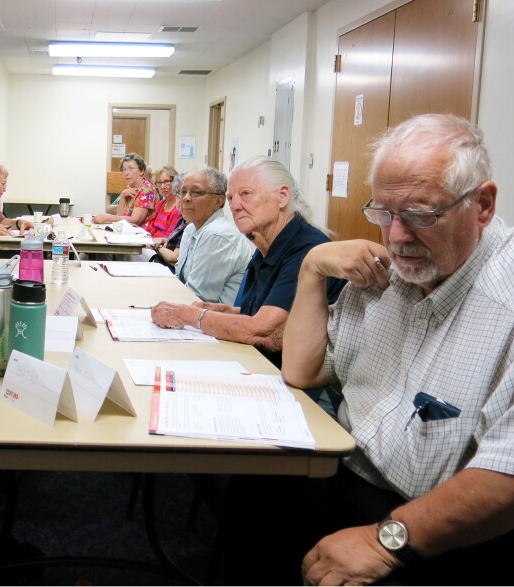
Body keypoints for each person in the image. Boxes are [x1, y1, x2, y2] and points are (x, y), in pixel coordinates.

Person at [228, 114, 514, 586]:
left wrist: (383, 541)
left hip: (441, 528)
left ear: (481, 205)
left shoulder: (502, 302)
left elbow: (504, 478)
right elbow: (303, 370)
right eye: (384, 213)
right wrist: (313, 269)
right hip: (346, 473)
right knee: (255, 496)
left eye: (421, 215)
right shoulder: (384, 273)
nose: (397, 237)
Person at [151, 157, 345, 368]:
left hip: (295, 386)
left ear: (282, 196)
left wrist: (188, 314)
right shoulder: (265, 243)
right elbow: (258, 312)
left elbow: (265, 330)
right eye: (231, 197)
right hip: (260, 365)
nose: (235, 206)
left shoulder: (306, 248)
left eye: (246, 194)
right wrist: (220, 310)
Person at [161, 165, 252, 304]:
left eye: (196, 192)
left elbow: (197, 299)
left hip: (214, 320)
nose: (186, 198)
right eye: (183, 191)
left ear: (218, 201)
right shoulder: (191, 229)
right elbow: (180, 278)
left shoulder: (217, 234)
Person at [94, 153, 157, 226]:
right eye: (124, 169)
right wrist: (123, 196)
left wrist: (108, 218)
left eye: (131, 169)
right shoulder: (129, 187)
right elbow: (119, 216)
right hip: (128, 231)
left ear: (141, 171)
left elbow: (135, 220)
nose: (126, 173)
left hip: (143, 233)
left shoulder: (146, 189)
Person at [143, 166, 183, 239]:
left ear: (176, 182)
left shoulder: (179, 208)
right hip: (151, 242)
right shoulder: (160, 204)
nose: (163, 186)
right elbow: (150, 228)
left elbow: (170, 238)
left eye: (166, 182)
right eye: (159, 183)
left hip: (162, 247)